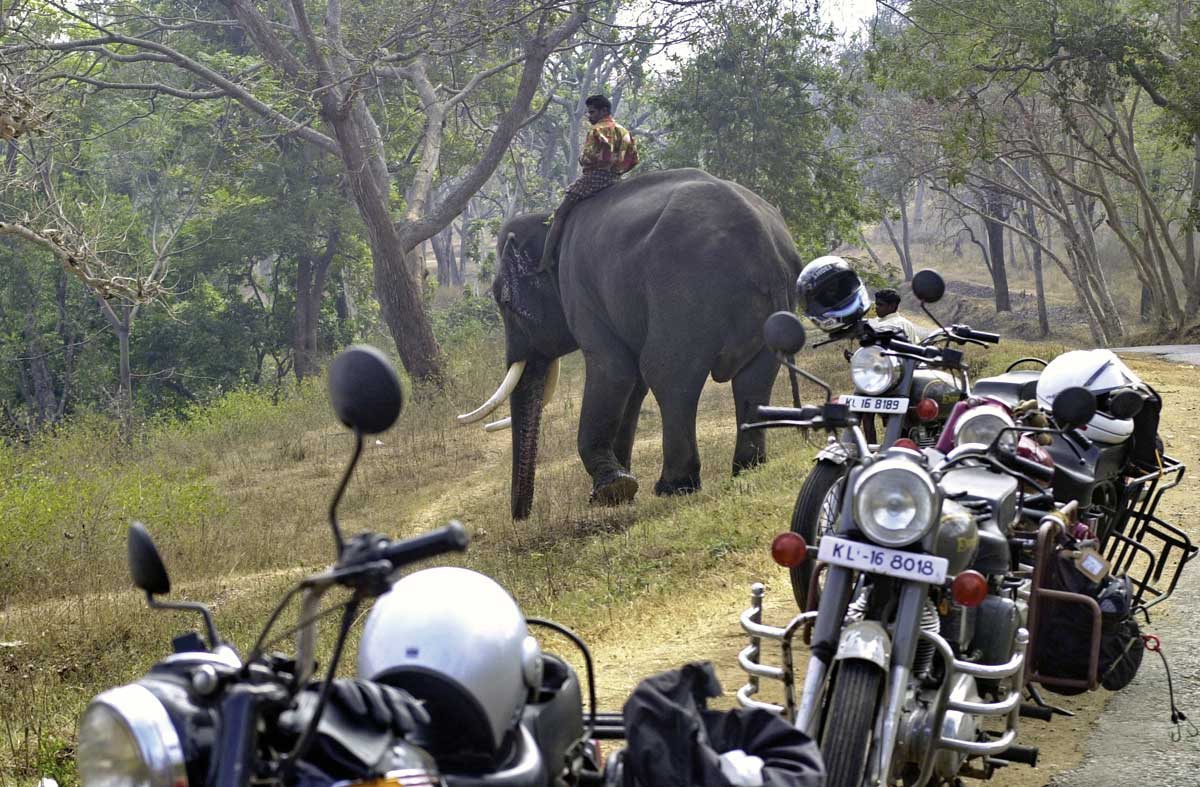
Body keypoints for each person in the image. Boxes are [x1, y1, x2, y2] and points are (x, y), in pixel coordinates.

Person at [538, 94, 639, 272]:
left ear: (604, 111)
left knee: (560, 213)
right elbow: (634, 160)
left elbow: (588, 158)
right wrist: (617, 170)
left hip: (594, 179)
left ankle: (545, 260)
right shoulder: (624, 132)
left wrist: (582, 160)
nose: (589, 116)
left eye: (592, 112)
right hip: (615, 178)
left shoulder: (597, 131)